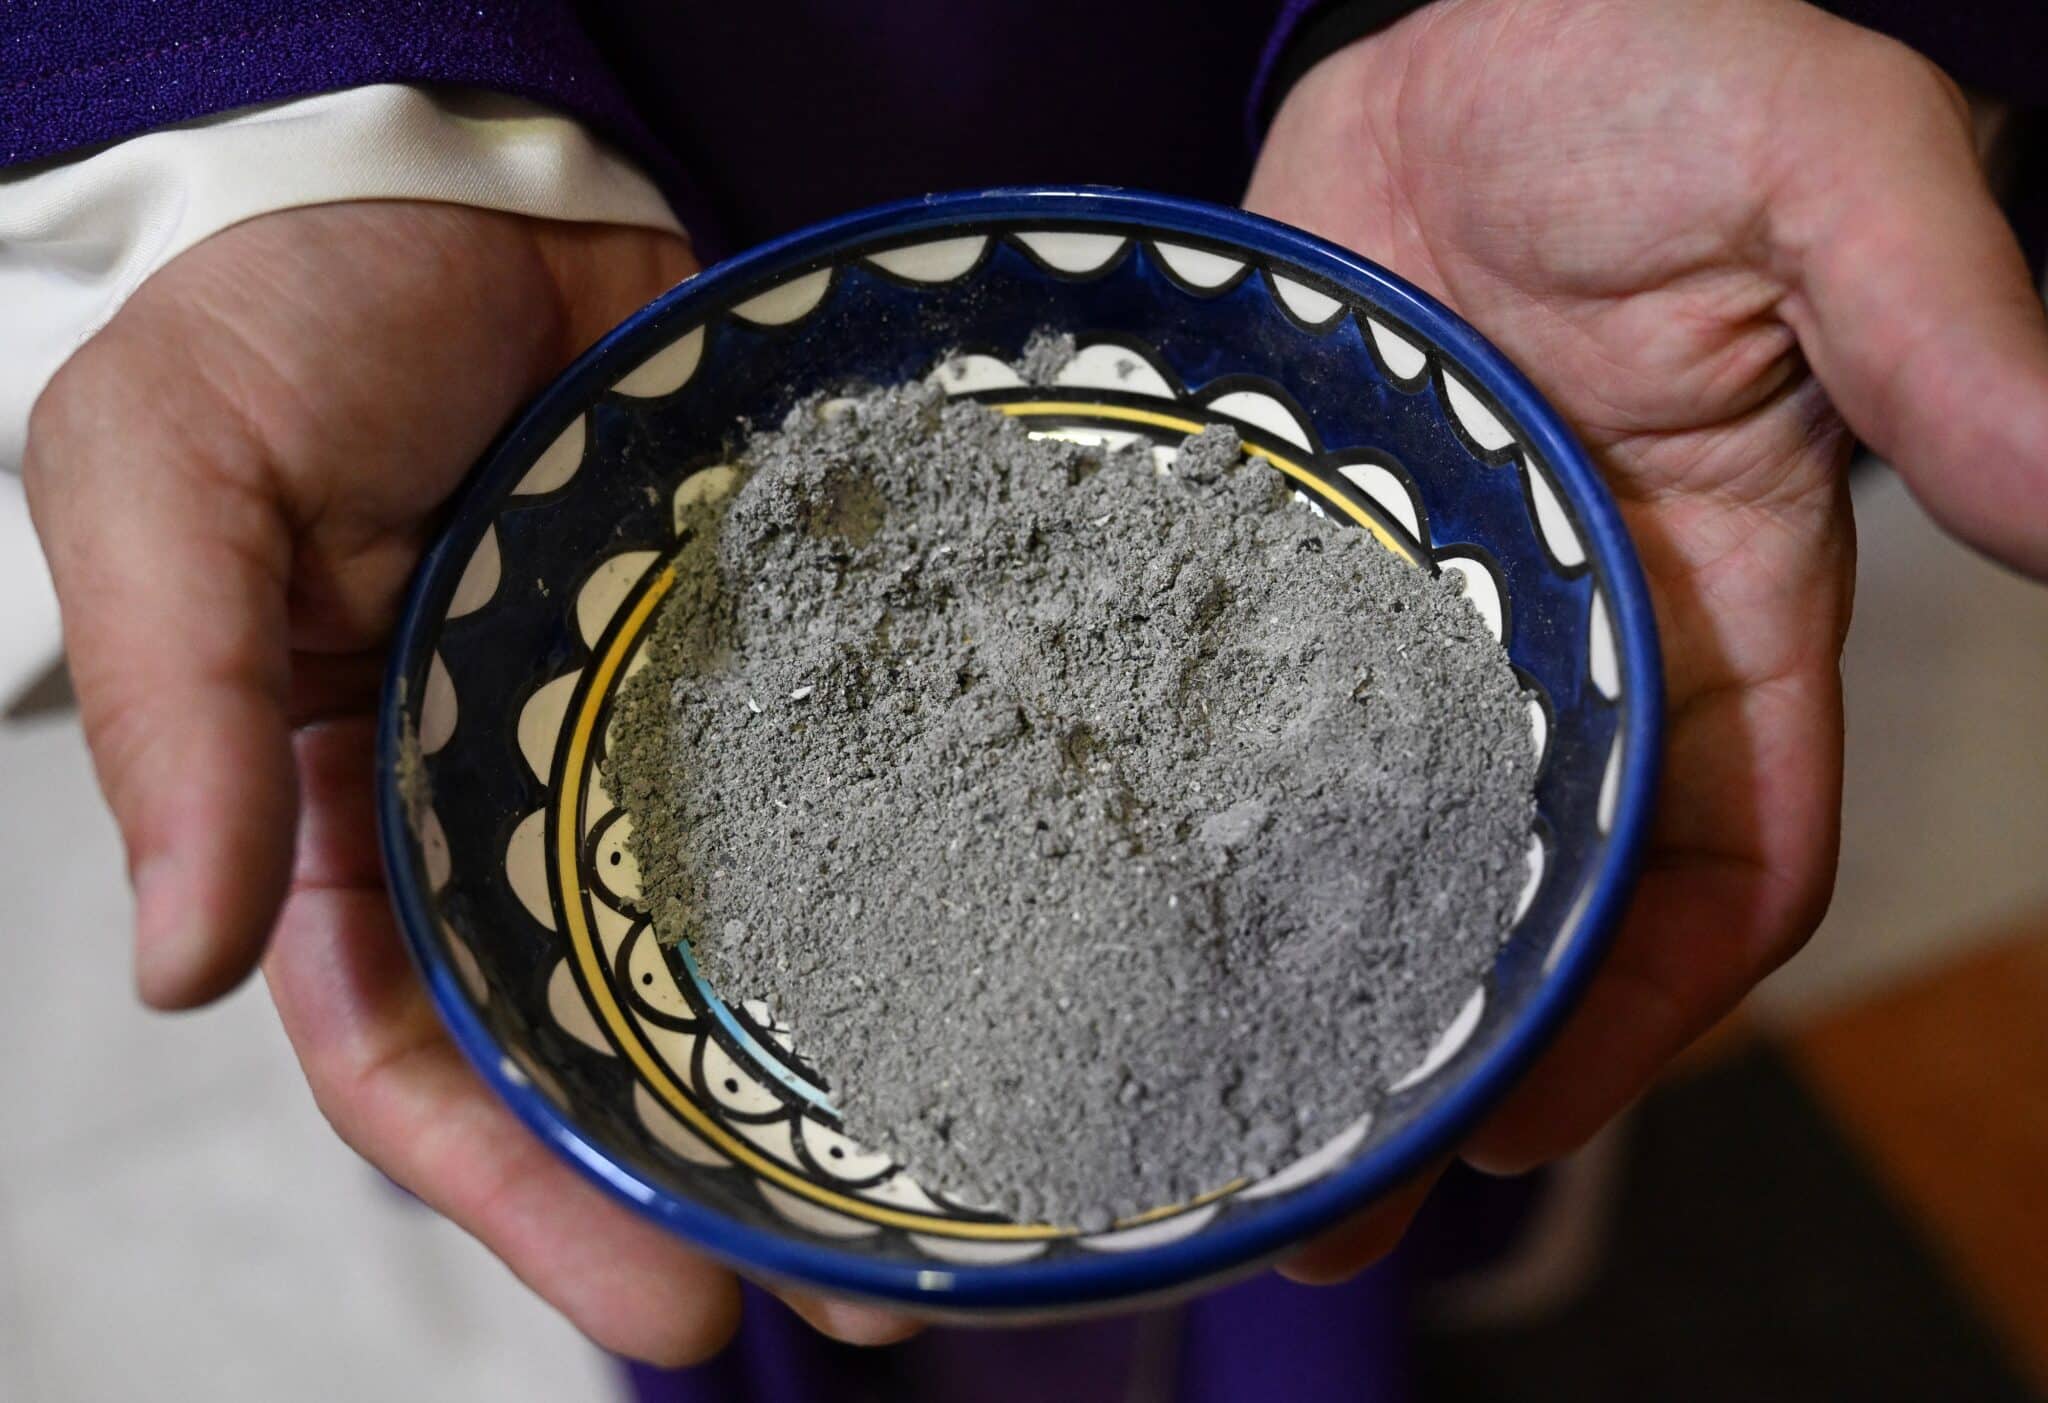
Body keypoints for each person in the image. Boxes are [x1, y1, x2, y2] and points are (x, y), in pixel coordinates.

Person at [7, 0, 2047, 1382]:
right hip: (612, 150)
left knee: (1393, 1198)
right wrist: (253, 112)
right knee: (751, 1279)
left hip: (1391, 123)